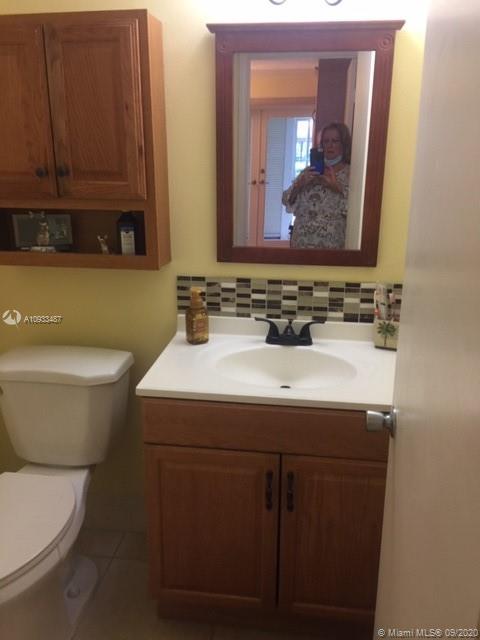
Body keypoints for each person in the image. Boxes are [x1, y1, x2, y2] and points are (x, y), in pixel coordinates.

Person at [282, 122, 351, 249]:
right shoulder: (308, 172)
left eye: (335, 141)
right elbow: (286, 200)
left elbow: (358, 210)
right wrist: (299, 185)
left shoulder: (351, 174)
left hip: (331, 246)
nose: (329, 145)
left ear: (343, 144)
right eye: (326, 141)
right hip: (301, 244)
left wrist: (336, 187)